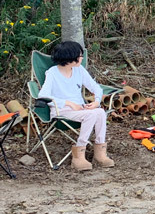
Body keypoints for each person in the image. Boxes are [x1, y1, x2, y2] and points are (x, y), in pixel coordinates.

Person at [38, 41, 114, 171]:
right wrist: (69, 103)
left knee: (100, 111)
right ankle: (78, 155)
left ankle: (100, 152)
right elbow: (43, 95)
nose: (82, 58)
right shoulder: (52, 73)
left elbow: (95, 87)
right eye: (79, 55)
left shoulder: (79, 70)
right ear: (69, 57)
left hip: (80, 109)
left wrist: (96, 101)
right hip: (61, 110)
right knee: (91, 115)